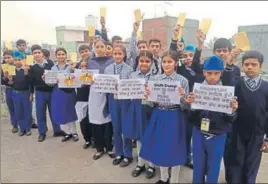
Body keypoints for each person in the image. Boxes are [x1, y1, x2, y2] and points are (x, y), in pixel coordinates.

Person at [140, 50, 189, 184]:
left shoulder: (182, 81)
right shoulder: (155, 79)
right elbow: (150, 103)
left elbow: (187, 107)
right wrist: (146, 96)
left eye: (170, 62)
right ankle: (163, 177)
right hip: (159, 114)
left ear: (175, 63)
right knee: (160, 145)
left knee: (174, 147)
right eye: (164, 62)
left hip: (175, 116)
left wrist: (183, 98)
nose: (166, 65)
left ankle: (174, 180)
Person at [187, 55, 238, 183]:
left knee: (214, 166)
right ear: (204, 72)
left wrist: (232, 111)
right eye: (209, 73)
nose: (212, 77)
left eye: (216, 73)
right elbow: (191, 117)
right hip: (199, 132)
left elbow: (231, 120)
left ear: (221, 73)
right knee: (198, 164)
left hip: (218, 134)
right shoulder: (197, 87)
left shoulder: (227, 90)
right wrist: (192, 106)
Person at [226, 50, 268, 184]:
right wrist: (229, 64)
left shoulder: (266, 87)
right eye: (246, 64)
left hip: (257, 134)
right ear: (242, 65)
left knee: (251, 167)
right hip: (236, 132)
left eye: (254, 64)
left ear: (260, 66)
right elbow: (225, 85)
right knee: (235, 165)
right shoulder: (236, 83)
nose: (250, 67)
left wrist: (267, 138)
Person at [126, 50, 156, 179]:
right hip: (137, 107)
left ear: (152, 62)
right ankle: (140, 163)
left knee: (150, 137)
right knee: (138, 137)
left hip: (151, 109)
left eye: (147, 61)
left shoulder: (157, 77)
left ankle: (151, 165)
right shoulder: (132, 75)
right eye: (141, 61)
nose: (144, 63)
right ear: (138, 62)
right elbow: (126, 90)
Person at [104, 44, 134, 167]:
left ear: (124, 55)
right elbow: (105, 84)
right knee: (116, 128)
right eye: (115, 54)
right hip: (113, 99)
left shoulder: (130, 69)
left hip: (125, 99)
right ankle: (119, 153)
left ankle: (128, 155)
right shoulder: (108, 69)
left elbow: (132, 85)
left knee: (125, 127)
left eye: (120, 54)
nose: (117, 56)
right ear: (112, 55)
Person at [29, 45, 65, 142]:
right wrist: (31, 93)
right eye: (35, 53)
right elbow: (31, 82)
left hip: (51, 91)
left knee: (54, 111)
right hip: (40, 92)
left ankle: (57, 130)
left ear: (42, 54)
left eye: (39, 52)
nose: (37, 54)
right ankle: (42, 132)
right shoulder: (31, 67)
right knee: (40, 113)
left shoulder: (50, 63)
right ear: (32, 55)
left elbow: (56, 75)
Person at [87, 39, 115, 160]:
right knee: (96, 122)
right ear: (94, 48)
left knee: (108, 122)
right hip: (94, 94)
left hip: (109, 94)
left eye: (102, 46)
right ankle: (99, 148)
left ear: (106, 47)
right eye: (97, 46)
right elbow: (82, 76)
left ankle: (109, 147)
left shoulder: (112, 61)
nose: (100, 49)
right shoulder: (89, 62)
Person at [50, 48, 78, 142]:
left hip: (69, 91)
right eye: (59, 54)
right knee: (61, 112)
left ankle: (74, 132)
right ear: (56, 56)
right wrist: (47, 79)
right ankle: (67, 132)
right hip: (58, 91)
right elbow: (50, 83)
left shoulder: (71, 65)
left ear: (66, 55)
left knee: (70, 111)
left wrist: (72, 69)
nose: (61, 56)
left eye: (63, 54)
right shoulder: (53, 68)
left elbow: (76, 78)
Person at [15, 39, 38, 129]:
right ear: (17, 46)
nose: (22, 47)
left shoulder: (29, 56)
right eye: (20, 45)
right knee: (19, 108)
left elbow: (31, 67)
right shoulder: (15, 55)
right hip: (18, 83)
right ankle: (20, 125)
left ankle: (31, 123)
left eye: (23, 45)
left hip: (28, 81)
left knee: (29, 105)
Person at [11, 50, 33, 136]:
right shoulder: (11, 70)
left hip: (26, 93)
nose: (17, 61)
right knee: (18, 111)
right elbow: (8, 82)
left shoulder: (27, 70)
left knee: (27, 111)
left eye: (19, 59)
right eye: (16, 60)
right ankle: (22, 128)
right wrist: (8, 79)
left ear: (23, 60)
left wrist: (31, 94)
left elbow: (31, 82)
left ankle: (28, 129)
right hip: (16, 93)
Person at [75, 59, 93, 149]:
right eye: (81, 66)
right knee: (83, 121)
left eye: (86, 66)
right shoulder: (76, 77)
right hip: (81, 100)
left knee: (92, 121)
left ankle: (93, 139)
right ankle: (87, 139)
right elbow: (67, 86)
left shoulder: (93, 76)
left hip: (92, 100)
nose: (84, 68)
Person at [1, 50, 18, 133]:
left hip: (18, 89)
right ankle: (14, 125)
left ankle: (25, 125)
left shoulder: (17, 65)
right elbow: (2, 81)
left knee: (20, 108)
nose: (7, 59)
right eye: (5, 58)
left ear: (13, 57)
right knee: (11, 108)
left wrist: (13, 79)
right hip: (9, 89)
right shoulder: (3, 67)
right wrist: (5, 77)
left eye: (9, 57)